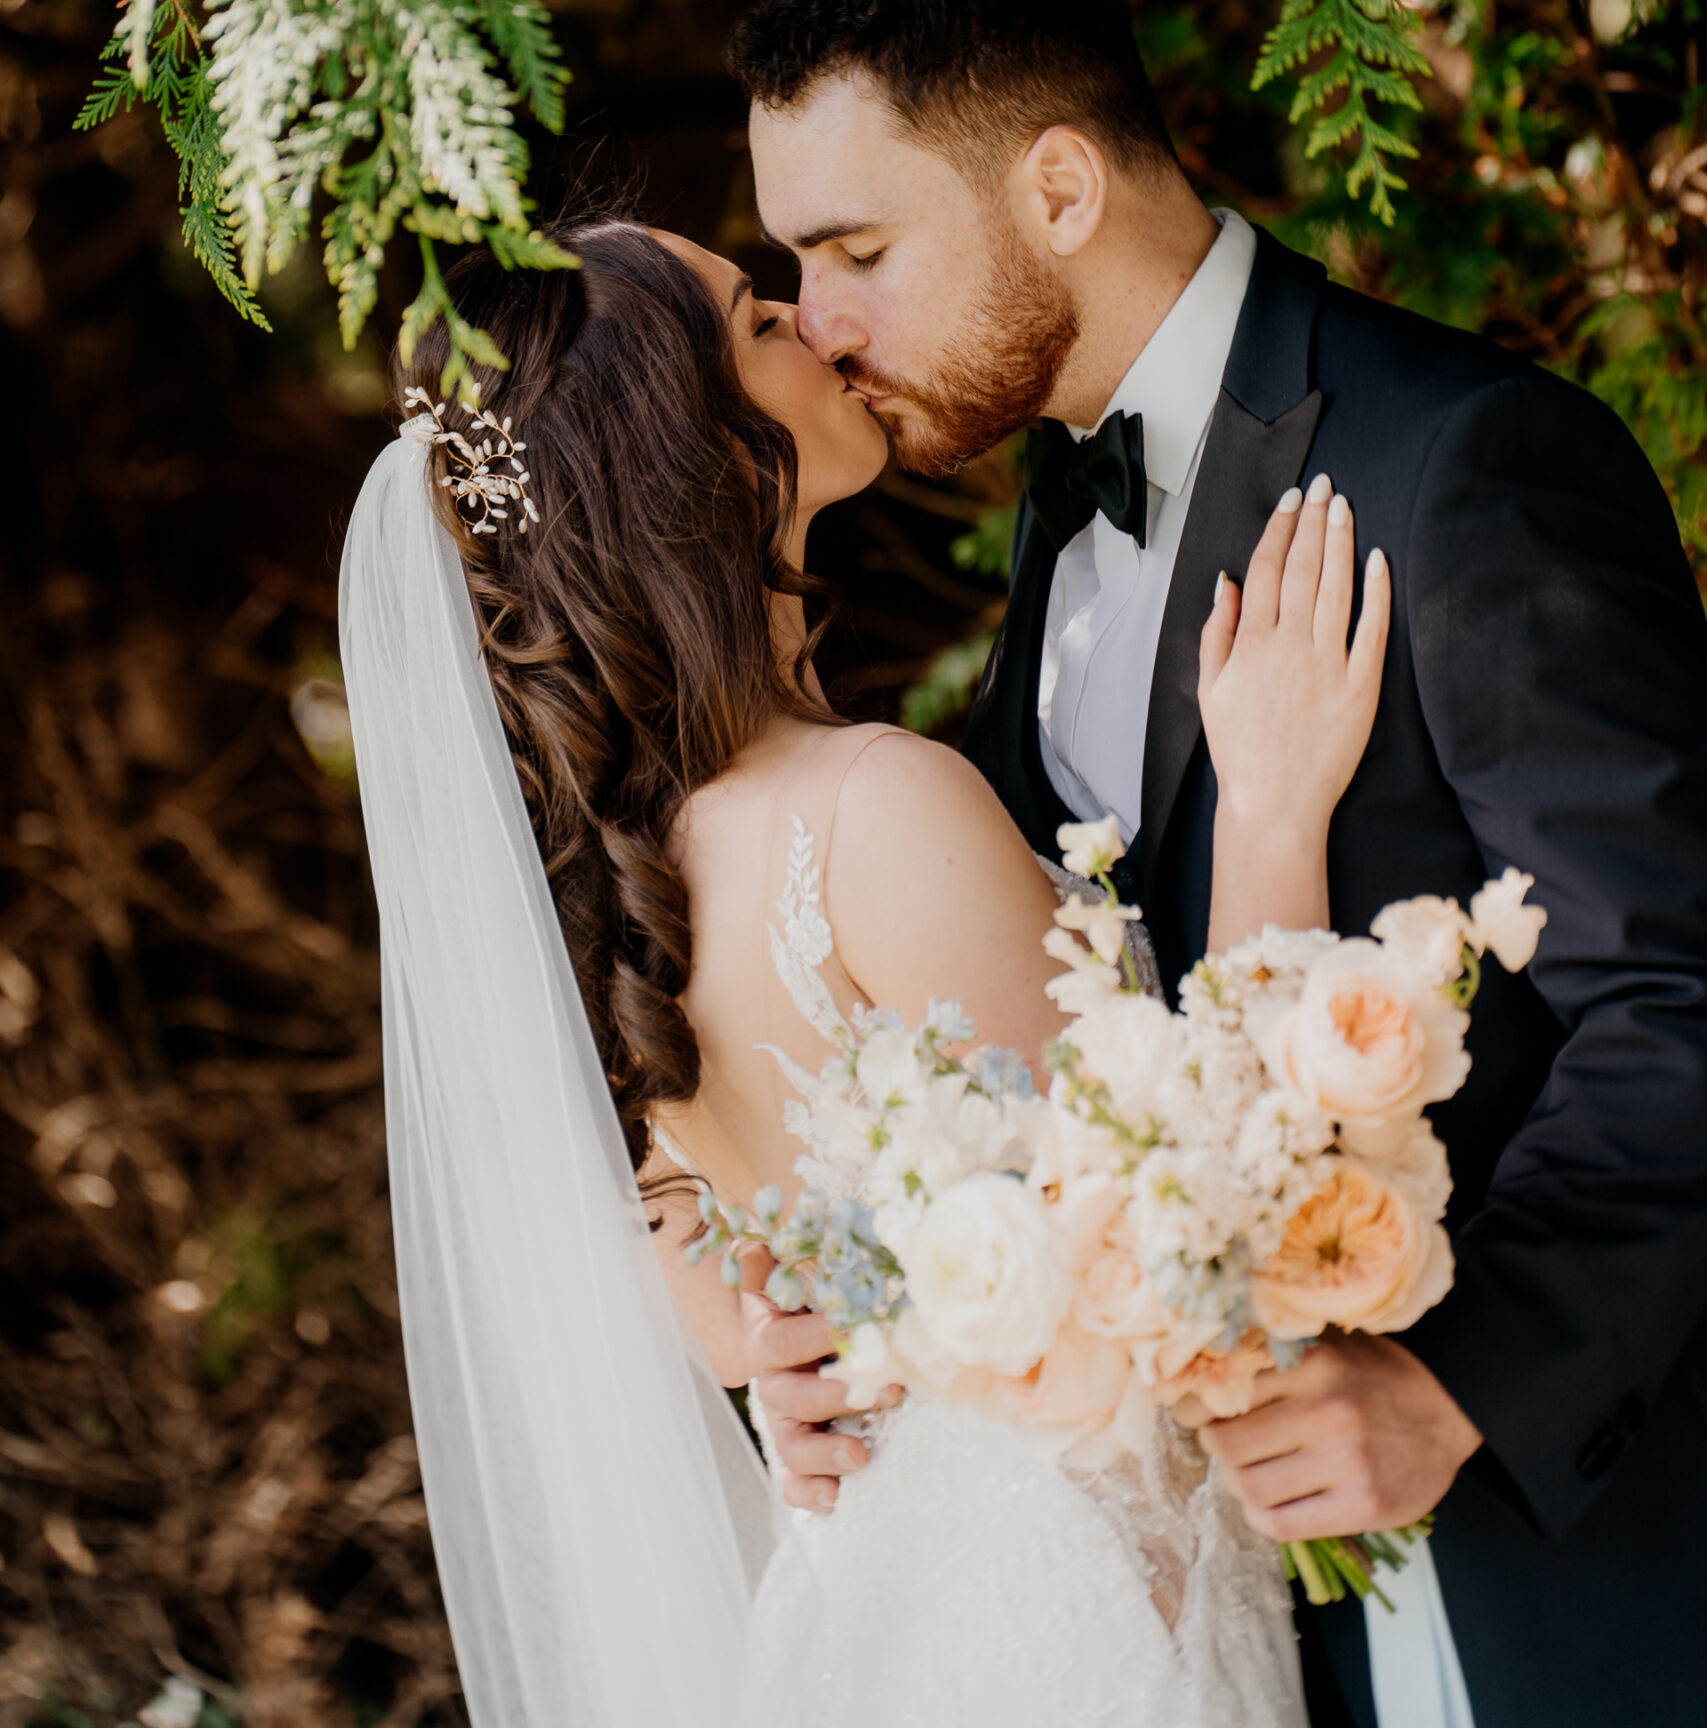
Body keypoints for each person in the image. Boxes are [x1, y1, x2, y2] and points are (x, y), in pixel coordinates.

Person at [724, 0, 1707, 1728]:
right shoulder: (1062, 521)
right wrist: (864, 1335)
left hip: (1567, 1584)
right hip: (1237, 1607)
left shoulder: (1463, 465)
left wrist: (1462, 1386)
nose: (820, 322)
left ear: (1063, 190)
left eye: (855, 247)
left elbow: (1681, 1000)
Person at [341, 212, 1390, 1728]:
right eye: (761, 319)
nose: (823, 326)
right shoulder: (872, 811)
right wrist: (1280, 817)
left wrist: (747, 1323)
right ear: (681, 447)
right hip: (1083, 1630)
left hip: (895, 1610)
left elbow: (689, 1206)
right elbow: (1195, 1248)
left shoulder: (625, 886)